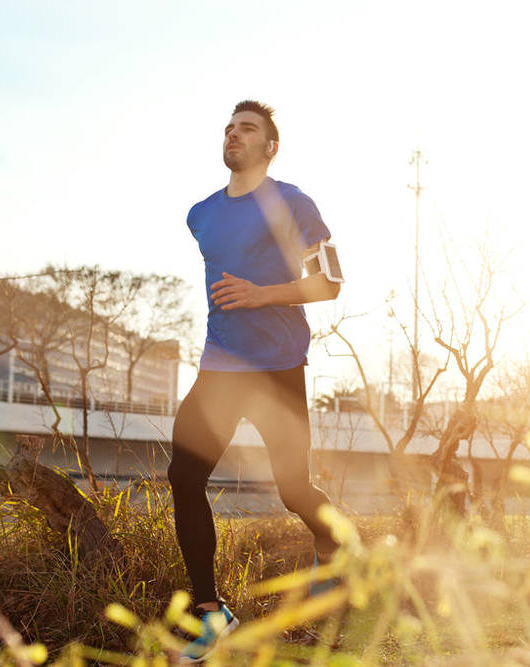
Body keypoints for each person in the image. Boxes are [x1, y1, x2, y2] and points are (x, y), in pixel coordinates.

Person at [169, 100, 343, 662]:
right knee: (184, 475)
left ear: (270, 146)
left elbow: (332, 281)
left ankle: (337, 542)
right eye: (229, 127)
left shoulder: (294, 203)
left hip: (278, 364)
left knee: (293, 487)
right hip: (221, 364)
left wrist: (261, 294)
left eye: (248, 128)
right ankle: (210, 612)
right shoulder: (200, 213)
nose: (233, 134)